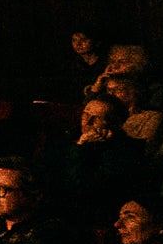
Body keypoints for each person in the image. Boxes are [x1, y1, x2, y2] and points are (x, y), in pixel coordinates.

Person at [54, 95, 145, 225]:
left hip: (93, 218)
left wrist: (81, 147)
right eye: (85, 115)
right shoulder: (68, 139)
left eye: (96, 118)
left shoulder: (125, 151)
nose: (87, 122)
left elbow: (81, 186)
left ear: (115, 124)